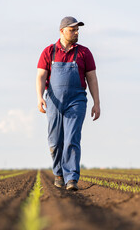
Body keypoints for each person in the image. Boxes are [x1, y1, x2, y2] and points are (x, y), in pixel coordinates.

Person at [36, 16, 100, 191]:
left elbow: (92, 78)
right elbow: (41, 76)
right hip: (54, 101)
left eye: (77, 29)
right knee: (55, 141)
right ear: (62, 31)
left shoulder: (84, 53)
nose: (76, 32)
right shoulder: (49, 51)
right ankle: (58, 174)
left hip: (76, 100)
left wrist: (97, 102)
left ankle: (71, 178)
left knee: (72, 138)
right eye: (73, 29)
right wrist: (40, 97)